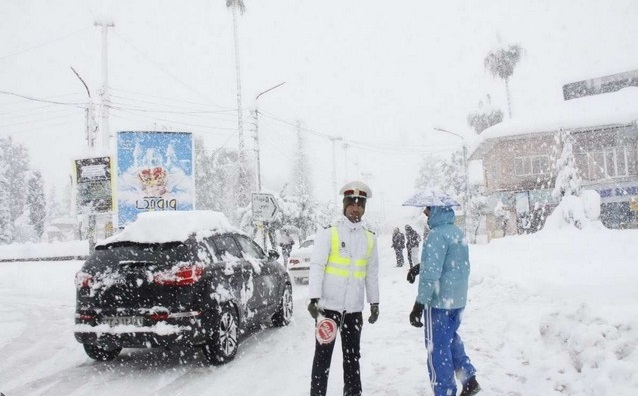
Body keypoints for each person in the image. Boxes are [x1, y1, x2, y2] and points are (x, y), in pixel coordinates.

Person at [308, 180, 380, 396]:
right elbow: (317, 266)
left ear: (364, 208)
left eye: (360, 205)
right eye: (352, 204)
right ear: (345, 206)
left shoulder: (369, 238)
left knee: (352, 358)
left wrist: (374, 302)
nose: (355, 209)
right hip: (328, 308)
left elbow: (371, 273)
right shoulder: (329, 233)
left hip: (354, 310)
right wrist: (314, 298)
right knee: (322, 358)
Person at [407, 205, 480, 396]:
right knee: (449, 339)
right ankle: (469, 378)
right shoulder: (457, 232)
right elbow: (448, 263)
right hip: (457, 300)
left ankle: (445, 392)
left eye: (428, 209)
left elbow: (432, 273)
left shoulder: (436, 235)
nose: (425, 212)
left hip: (439, 302)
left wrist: (419, 304)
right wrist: (418, 267)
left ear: (437, 210)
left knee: (437, 349)